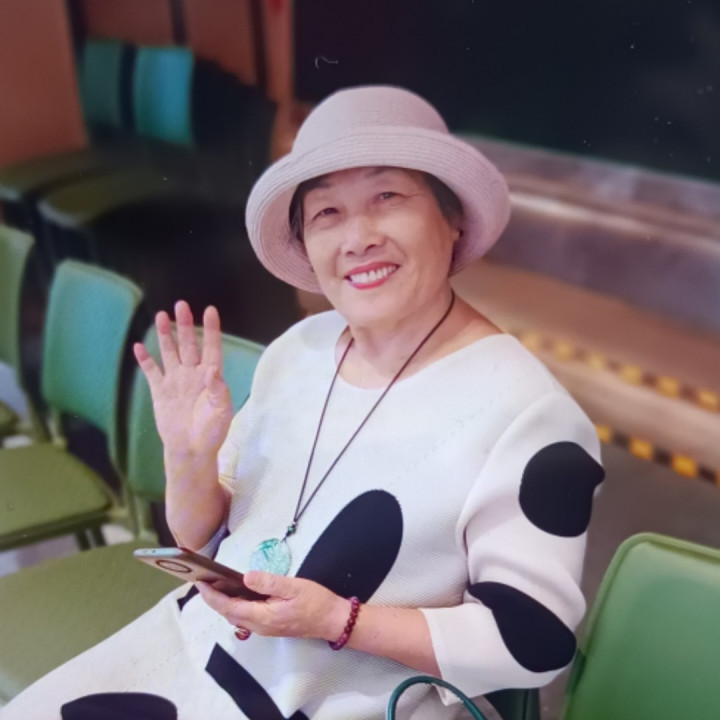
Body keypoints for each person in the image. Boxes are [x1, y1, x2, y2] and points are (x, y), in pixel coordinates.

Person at [3, 86, 604, 719]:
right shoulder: (300, 349)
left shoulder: (528, 413)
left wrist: (336, 620)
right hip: (199, 649)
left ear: (452, 218)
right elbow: (202, 536)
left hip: (349, 698)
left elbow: (533, 642)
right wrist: (188, 458)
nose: (358, 237)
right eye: (326, 213)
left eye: (388, 197)